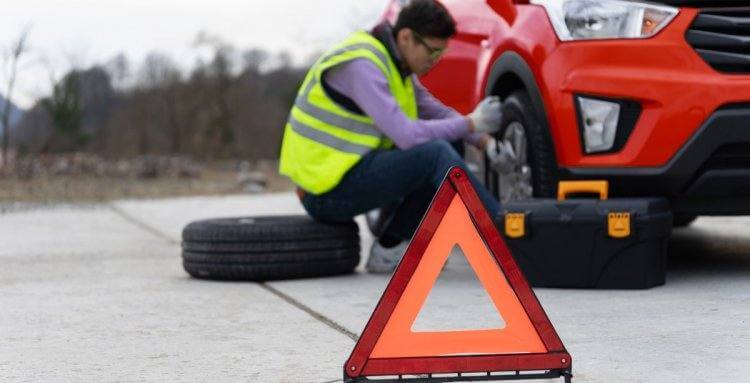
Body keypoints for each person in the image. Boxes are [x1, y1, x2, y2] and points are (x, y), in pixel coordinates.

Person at [279, 0, 516, 273]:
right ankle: (508, 238)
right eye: (432, 51)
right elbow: (406, 136)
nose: (435, 61)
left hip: (351, 175)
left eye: (441, 53)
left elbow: (436, 112)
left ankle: (391, 248)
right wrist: (471, 124)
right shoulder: (362, 66)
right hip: (323, 192)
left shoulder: (396, 65)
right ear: (406, 37)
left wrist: (484, 141)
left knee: (447, 142)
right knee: (435, 153)